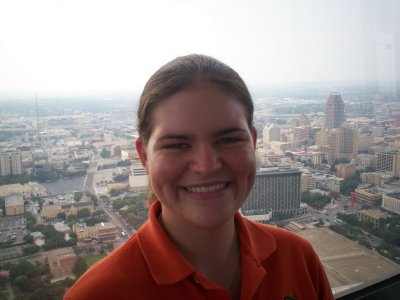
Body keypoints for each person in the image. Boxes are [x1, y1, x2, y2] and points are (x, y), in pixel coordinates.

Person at [64, 54, 334, 300]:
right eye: (177, 145)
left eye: (228, 139)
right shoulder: (97, 295)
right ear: (144, 157)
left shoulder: (297, 258)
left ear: (253, 143)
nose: (206, 166)